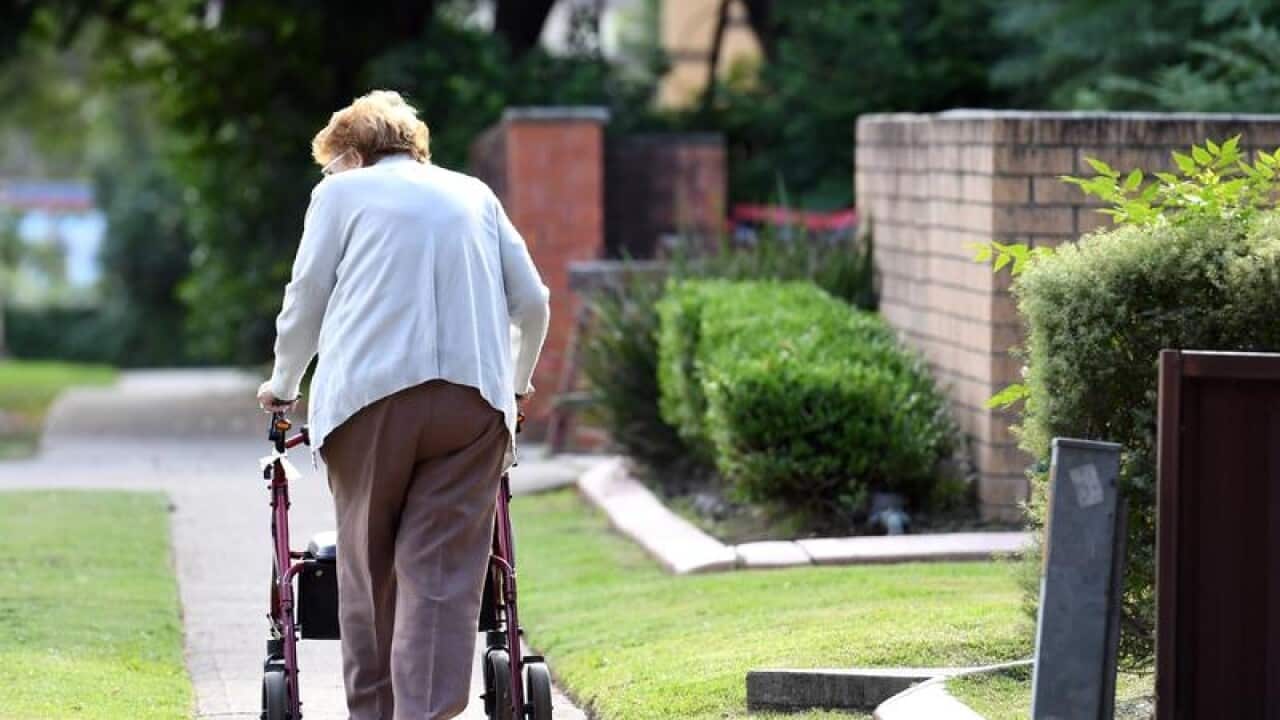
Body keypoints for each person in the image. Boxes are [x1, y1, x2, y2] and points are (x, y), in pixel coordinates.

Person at [256, 89, 550, 720]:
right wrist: (517, 384)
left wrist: (283, 385)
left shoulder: (339, 194)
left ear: (355, 155)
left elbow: (306, 297)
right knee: (441, 578)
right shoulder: (475, 194)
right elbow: (534, 302)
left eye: (332, 162)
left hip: (369, 398)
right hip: (475, 403)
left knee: (370, 570)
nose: (329, 175)